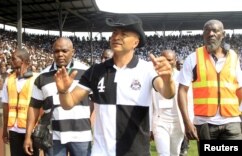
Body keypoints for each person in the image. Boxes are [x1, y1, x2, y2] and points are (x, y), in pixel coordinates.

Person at [54, 14, 175, 156]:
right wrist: (63, 92)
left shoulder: (147, 69)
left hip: (136, 152)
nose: (116, 37)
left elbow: (167, 93)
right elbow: (68, 103)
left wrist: (168, 80)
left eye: (123, 34)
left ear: (135, 42)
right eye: (114, 33)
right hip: (101, 152)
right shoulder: (95, 71)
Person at [177, 19, 242, 153]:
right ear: (203, 35)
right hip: (205, 124)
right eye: (207, 31)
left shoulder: (234, 58)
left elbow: (239, 89)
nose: (211, 33)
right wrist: (187, 122)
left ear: (223, 34)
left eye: (215, 30)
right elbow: (182, 91)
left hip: (232, 123)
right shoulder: (193, 58)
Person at [23, 37, 92, 156]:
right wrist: (28, 136)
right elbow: (33, 107)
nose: (60, 54)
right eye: (56, 51)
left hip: (81, 136)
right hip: (53, 137)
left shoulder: (86, 72)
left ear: (73, 51)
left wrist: (89, 121)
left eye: (64, 51)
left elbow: (95, 102)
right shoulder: (42, 76)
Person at [1, 49, 39, 156]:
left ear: (22, 60)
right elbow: (5, 105)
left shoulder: (36, 79)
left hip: (32, 130)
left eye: (14, 58)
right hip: (14, 129)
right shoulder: (8, 80)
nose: (11, 61)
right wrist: (5, 130)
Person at [150, 49, 184, 156]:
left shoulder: (182, 76)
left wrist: (189, 123)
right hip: (160, 121)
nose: (168, 62)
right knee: (163, 153)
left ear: (175, 60)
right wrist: (149, 127)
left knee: (175, 153)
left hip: (177, 122)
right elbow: (149, 102)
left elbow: (188, 100)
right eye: (165, 60)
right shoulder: (153, 76)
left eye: (170, 60)